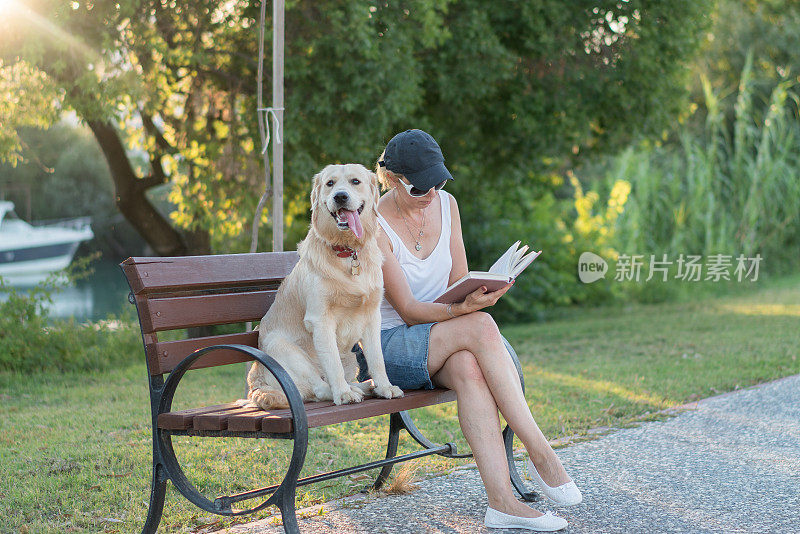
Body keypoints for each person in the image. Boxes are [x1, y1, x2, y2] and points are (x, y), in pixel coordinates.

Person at [368, 129, 582, 532]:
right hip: (389, 347)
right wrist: (464, 310)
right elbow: (410, 311)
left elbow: (458, 279)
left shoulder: (447, 205)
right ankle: (541, 452)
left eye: (438, 181)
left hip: (444, 338)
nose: (432, 192)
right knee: (481, 325)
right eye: (420, 187)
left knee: (469, 367)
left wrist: (477, 293)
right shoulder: (375, 225)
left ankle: (502, 504)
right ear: (393, 179)